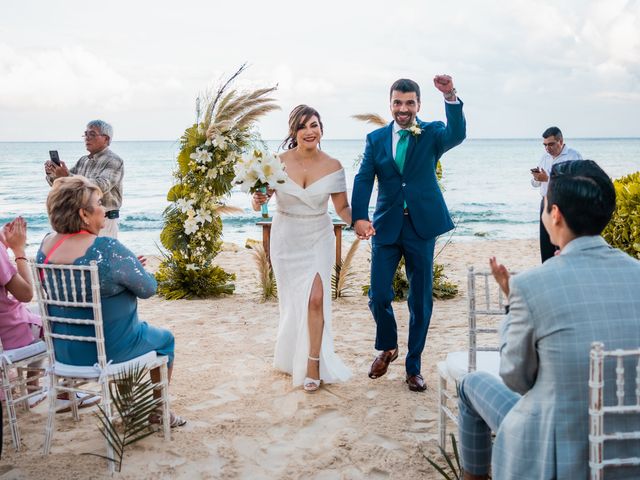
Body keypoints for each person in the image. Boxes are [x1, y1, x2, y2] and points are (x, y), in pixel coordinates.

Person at [457, 160, 640, 479]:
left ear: (554, 214)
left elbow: (515, 378)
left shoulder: (531, 285)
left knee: (471, 384)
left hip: (552, 456)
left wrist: (512, 304)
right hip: (627, 452)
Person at [37, 176, 185, 427]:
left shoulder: (46, 245)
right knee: (165, 340)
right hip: (108, 353)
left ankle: (129, 406)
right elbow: (148, 288)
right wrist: (133, 267)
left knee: (120, 325)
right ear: (84, 214)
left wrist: (125, 266)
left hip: (64, 353)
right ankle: (159, 414)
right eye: (99, 203)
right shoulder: (105, 248)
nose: (105, 209)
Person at [351, 76, 466, 392]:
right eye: (398, 103)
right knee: (378, 294)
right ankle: (388, 346)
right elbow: (363, 179)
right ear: (390, 104)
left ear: (418, 104)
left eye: (410, 103)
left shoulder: (431, 133)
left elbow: (457, 133)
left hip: (421, 226)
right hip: (386, 225)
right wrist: (359, 217)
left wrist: (450, 96)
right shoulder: (375, 139)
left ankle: (413, 367)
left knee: (420, 300)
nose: (403, 109)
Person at [252, 105, 352, 392]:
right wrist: (258, 200)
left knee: (317, 299)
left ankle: (313, 363)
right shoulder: (276, 163)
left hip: (319, 235)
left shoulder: (333, 166)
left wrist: (359, 223)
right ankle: (289, 354)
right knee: (294, 302)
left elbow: (342, 207)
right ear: (293, 131)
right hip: (286, 237)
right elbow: (261, 198)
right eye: (303, 126)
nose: (310, 131)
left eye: (315, 125)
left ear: (322, 130)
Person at [44, 119, 124, 238]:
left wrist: (66, 176)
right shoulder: (83, 160)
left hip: (104, 222)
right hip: (81, 221)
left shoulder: (114, 160)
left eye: (92, 134)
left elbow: (100, 187)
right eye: (86, 134)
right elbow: (66, 185)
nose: (87, 138)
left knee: (101, 256)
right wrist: (53, 174)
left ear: (106, 139)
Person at [0, 217, 46, 406]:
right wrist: (19, 250)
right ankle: (33, 385)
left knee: (37, 313)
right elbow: (25, 294)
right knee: (50, 324)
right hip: (9, 335)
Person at [530, 126, 582, 262]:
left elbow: (577, 182)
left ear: (561, 141)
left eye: (551, 144)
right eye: (545, 145)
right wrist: (536, 178)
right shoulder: (544, 157)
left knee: (563, 243)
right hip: (546, 202)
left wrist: (547, 179)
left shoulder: (574, 156)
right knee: (545, 242)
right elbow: (535, 184)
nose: (547, 148)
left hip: (565, 204)